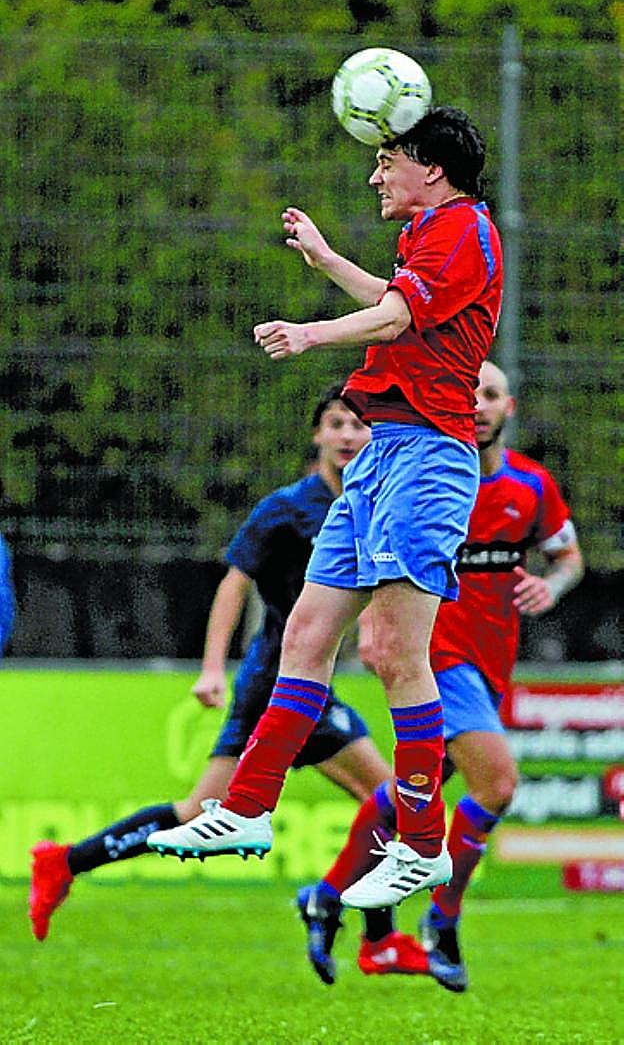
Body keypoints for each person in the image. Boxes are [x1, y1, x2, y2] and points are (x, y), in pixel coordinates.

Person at [147, 105, 504, 912]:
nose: (375, 175)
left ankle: (423, 846)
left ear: (432, 169)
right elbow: (398, 301)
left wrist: (310, 334)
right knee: (305, 635)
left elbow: (396, 317)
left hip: (428, 461)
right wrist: (328, 258)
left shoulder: (463, 228)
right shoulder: (429, 235)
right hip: (382, 456)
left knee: (393, 652)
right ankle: (244, 806)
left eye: (387, 161)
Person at [28, 387, 391, 942]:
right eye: (336, 424)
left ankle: (66, 861)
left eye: (358, 425)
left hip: (313, 682)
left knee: (378, 802)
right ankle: (368, 933)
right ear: (317, 435)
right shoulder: (287, 509)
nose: (347, 435)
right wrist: (213, 668)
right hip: (276, 683)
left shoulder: (371, 503)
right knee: (383, 800)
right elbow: (233, 583)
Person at [297, 360, 584, 989]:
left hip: (490, 662)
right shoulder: (423, 477)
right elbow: (369, 554)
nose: (477, 404)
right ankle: (442, 922)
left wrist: (553, 585)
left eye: (491, 394)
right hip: (434, 657)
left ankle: (326, 896)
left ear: (509, 408)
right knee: (498, 783)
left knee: (411, 792)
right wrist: (371, 625)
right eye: (468, 391)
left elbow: (568, 556)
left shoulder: (531, 485)